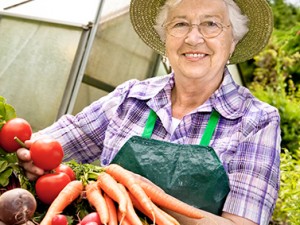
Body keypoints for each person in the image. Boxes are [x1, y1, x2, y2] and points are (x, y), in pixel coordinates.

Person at [17, 0, 281, 224]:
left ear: (233, 41)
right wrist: (30, 155)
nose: (193, 37)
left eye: (211, 24)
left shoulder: (256, 120)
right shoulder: (130, 97)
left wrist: (140, 196)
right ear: (165, 39)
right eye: (179, 24)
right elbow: (58, 141)